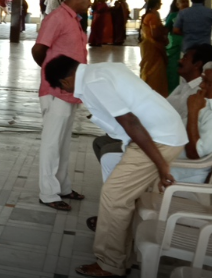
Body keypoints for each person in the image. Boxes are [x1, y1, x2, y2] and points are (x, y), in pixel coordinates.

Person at [44, 56, 187, 278]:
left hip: (158, 139)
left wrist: (161, 166)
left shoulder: (92, 83)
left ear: (65, 81)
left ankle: (109, 265)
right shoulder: (101, 70)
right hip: (163, 134)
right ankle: (122, 258)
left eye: (63, 88)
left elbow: (129, 120)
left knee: (114, 196)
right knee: (124, 198)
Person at [93, 43, 212, 183]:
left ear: (197, 64)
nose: (180, 61)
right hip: (158, 133)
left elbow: (185, 129)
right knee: (100, 142)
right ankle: (124, 183)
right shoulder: (184, 85)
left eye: (185, 58)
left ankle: (123, 188)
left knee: (108, 150)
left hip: (166, 141)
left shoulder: (198, 94)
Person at [32, 0, 92, 211]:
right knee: (51, 143)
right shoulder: (56, 17)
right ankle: (48, 193)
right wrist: (52, 76)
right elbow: (39, 49)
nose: (89, 2)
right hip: (56, 91)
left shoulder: (73, 20)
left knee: (64, 143)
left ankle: (63, 186)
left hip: (71, 91)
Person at [139, 0, 169, 97]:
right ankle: (153, 93)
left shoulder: (153, 14)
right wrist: (164, 33)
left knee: (149, 68)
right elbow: (155, 34)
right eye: (160, 2)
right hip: (153, 46)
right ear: (156, 4)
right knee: (153, 71)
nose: (161, 4)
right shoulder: (152, 16)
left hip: (150, 45)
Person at [164, 0, 190, 92]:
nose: (186, 4)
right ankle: (172, 92)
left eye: (187, 1)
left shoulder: (191, 15)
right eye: (183, 2)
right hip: (174, 46)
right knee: (173, 70)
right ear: (177, 4)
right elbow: (166, 30)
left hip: (187, 45)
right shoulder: (173, 15)